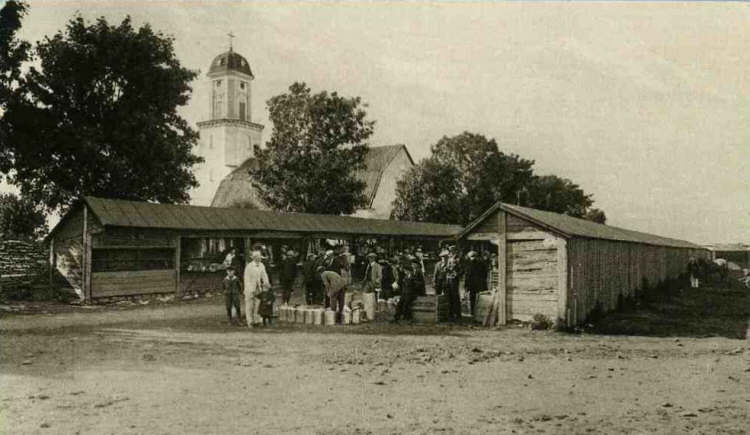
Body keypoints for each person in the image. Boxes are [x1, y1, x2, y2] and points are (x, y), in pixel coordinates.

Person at [244, 250, 270, 327]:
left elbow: (264, 275)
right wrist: (251, 290)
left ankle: (257, 320)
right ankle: (250, 322)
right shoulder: (249, 266)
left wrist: (266, 283)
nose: (260, 259)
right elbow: (246, 279)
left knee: (258, 305)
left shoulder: (262, 265)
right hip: (250, 289)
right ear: (254, 258)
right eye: (258, 257)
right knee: (249, 306)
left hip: (258, 288)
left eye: (260, 257)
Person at [393, 257, 418, 323]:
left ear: (409, 271)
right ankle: (396, 318)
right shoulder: (405, 277)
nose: (405, 272)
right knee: (399, 304)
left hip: (410, 294)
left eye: (406, 271)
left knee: (406, 305)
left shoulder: (413, 277)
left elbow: (415, 286)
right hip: (404, 293)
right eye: (405, 271)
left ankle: (408, 318)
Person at [465, 251, 487, 316]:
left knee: (480, 298)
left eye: (474, 256)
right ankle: (473, 312)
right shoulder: (469, 265)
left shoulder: (480, 264)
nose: (473, 258)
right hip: (473, 284)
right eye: (472, 257)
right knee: (473, 298)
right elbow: (467, 275)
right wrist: (466, 285)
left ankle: (477, 312)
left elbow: (485, 274)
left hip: (478, 283)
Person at [444, 257, 461, 321]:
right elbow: (445, 273)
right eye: (450, 263)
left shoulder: (457, 268)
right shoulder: (448, 268)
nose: (451, 264)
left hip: (454, 283)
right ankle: (450, 314)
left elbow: (459, 273)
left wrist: (455, 272)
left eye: (453, 263)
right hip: (448, 282)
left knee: (455, 298)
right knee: (449, 298)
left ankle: (457, 314)